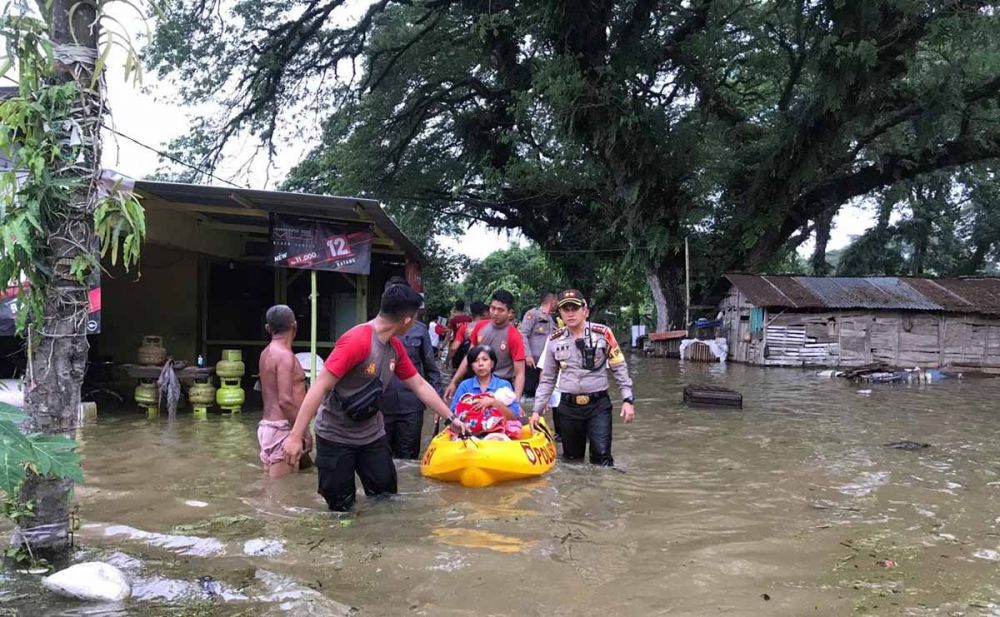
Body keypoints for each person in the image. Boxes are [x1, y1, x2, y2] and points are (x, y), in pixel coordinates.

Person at [282, 284, 466, 512]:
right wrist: (295, 436)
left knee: (386, 500)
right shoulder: (357, 341)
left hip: (372, 437)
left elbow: (419, 384)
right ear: (407, 320)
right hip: (335, 437)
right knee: (340, 510)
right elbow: (319, 387)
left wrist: (451, 419)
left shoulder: (395, 347)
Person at [530, 289, 635, 466]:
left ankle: (603, 491)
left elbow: (619, 368)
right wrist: (536, 410)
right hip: (568, 407)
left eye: (574, 308)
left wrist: (628, 399)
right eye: (565, 309)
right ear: (560, 313)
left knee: (602, 458)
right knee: (572, 461)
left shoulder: (603, 334)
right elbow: (548, 378)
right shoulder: (555, 340)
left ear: (585, 311)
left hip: (598, 405)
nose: (570, 313)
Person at [380, 278, 442, 459]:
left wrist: (437, 403)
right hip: (381, 406)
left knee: (408, 460)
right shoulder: (373, 331)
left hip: (411, 406)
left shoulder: (420, 330)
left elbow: (431, 368)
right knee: (380, 458)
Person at [257, 305, 312, 478]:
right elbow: (285, 401)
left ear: (268, 328)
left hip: (268, 426)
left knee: (283, 482)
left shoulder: (265, 353)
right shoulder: (285, 356)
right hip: (283, 429)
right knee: (282, 492)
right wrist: (303, 432)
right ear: (294, 325)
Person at [444, 289, 527, 402]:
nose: (495, 313)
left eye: (500, 310)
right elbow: (469, 358)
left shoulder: (514, 336)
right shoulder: (480, 327)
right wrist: (454, 382)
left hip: (501, 388)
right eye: (492, 308)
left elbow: (520, 373)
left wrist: (516, 402)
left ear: (509, 312)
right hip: (477, 383)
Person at [450, 345, 523, 439]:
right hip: (469, 432)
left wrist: (493, 402)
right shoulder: (465, 386)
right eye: (476, 361)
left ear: (492, 363)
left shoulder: (504, 385)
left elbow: (514, 416)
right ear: (471, 366)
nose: (480, 364)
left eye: (485, 359)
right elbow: (453, 415)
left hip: (496, 433)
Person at [519, 292, 557, 397]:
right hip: (533, 360)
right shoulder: (533, 314)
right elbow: (523, 334)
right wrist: (527, 355)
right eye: (556, 301)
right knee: (528, 390)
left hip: (546, 361)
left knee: (542, 391)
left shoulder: (550, 319)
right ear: (553, 301)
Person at [448, 300, 488, 369]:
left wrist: (447, 360)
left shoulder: (464, 327)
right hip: (486, 362)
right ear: (484, 312)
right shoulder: (489, 326)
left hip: (468, 362)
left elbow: (453, 348)